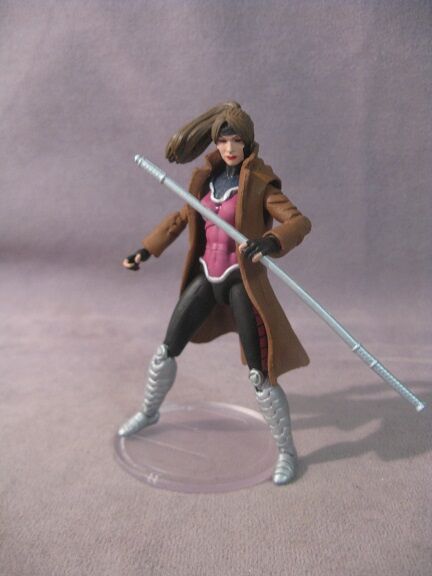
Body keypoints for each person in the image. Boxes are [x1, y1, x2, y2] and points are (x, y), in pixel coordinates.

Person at [118, 102, 311, 485]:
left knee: (260, 375)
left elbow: (298, 221)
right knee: (166, 350)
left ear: (247, 142)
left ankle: (287, 452)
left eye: (236, 140)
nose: (229, 148)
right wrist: (146, 250)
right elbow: (181, 218)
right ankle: (149, 412)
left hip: (241, 282)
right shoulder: (206, 179)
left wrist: (271, 240)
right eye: (222, 141)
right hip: (208, 276)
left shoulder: (260, 183)